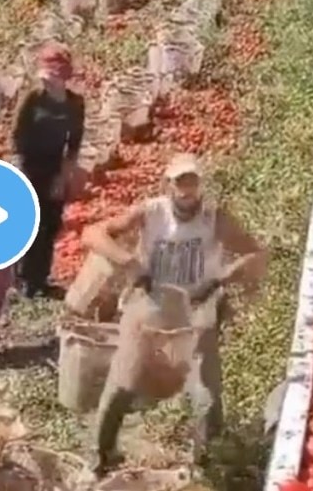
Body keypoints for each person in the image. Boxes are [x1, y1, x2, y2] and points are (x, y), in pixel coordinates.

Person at [81, 153, 267, 475]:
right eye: (180, 183)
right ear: (168, 185)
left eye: (192, 182)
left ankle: (208, 462)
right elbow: (92, 233)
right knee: (122, 385)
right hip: (150, 306)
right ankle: (101, 455)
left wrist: (224, 277)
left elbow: (256, 253)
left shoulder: (214, 218)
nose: (187, 191)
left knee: (206, 394)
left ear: (200, 185)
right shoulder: (151, 212)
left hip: (196, 310)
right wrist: (128, 262)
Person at [11, 41, 84, 299]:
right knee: (29, 224)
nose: (48, 79)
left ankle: (40, 279)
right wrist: (20, 170)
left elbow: (73, 145)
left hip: (55, 169)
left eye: (54, 74)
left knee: (50, 225)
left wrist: (63, 178)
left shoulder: (75, 104)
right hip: (29, 167)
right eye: (46, 73)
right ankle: (22, 280)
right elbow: (17, 135)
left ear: (64, 76)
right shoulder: (32, 97)